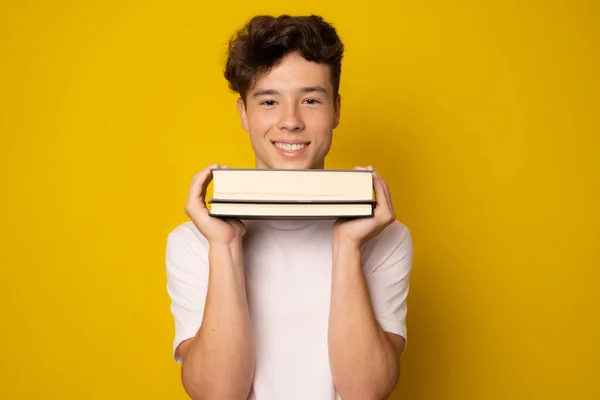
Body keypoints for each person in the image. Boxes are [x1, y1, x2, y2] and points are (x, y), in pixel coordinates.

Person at [165, 14, 413, 400]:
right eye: (269, 101)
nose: (291, 121)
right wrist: (225, 246)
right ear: (244, 113)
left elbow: (365, 392)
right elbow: (217, 394)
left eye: (311, 100)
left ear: (336, 110)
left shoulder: (386, 238)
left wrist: (348, 246)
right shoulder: (194, 242)